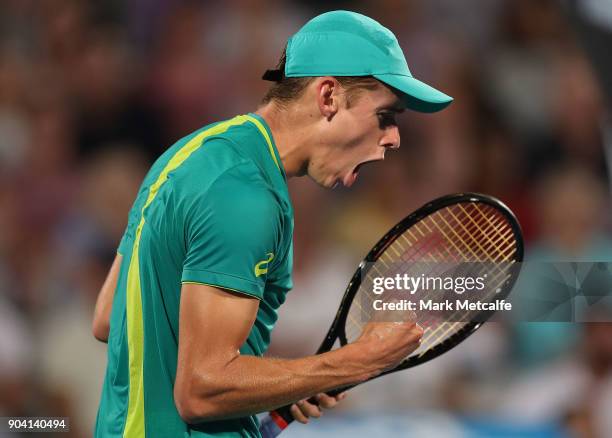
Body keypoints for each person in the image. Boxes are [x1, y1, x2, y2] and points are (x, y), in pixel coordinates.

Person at [92, 10, 452, 438]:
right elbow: (201, 390)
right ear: (328, 97)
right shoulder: (245, 197)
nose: (393, 138)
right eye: (386, 115)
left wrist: (285, 381)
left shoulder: (190, 153)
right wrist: (355, 361)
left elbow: (111, 318)